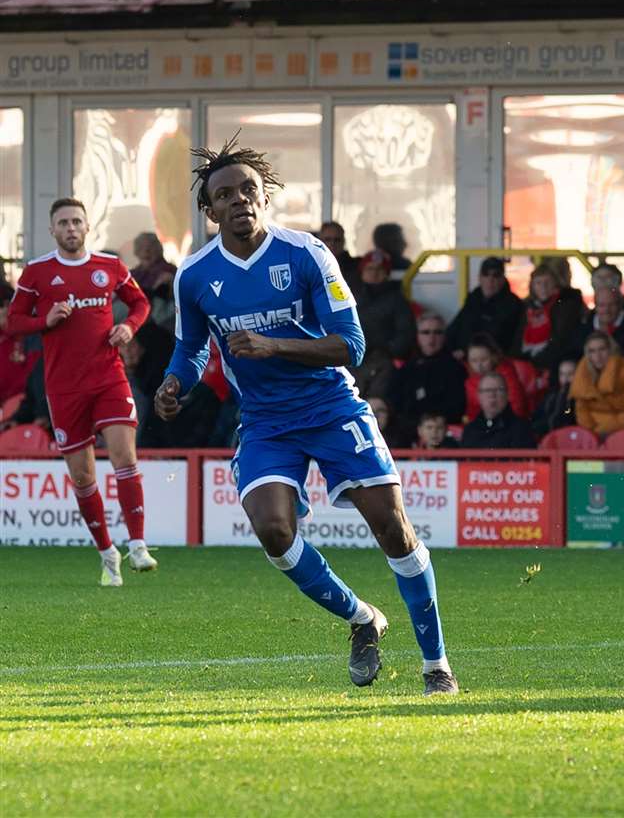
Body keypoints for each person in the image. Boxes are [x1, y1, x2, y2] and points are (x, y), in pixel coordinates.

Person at [156, 140, 455, 694]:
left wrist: (273, 347)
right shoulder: (194, 276)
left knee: (392, 527)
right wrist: (177, 383)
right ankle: (362, 618)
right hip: (267, 421)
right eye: (226, 194)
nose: (240, 199)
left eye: (249, 189)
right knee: (273, 531)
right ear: (210, 212)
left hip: (331, 405)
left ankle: (436, 664)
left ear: (265, 196)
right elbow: (193, 348)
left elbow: (354, 345)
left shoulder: (306, 254)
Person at [6, 198, 153, 584]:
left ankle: (137, 545)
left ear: (88, 227)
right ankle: (108, 554)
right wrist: (46, 320)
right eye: (63, 223)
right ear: (52, 230)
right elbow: (15, 322)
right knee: (84, 477)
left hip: (108, 377)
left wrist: (129, 328)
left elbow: (139, 303)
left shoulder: (109, 266)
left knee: (125, 456)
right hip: (64, 389)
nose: (71, 228)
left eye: (76, 221)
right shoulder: (36, 273)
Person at [352, 249, 416, 398]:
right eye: (369, 269)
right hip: (353, 358)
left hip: (382, 359)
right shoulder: (351, 298)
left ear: (387, 273)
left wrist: (386, 350)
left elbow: (405, 333)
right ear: (362, 272)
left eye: (379, 269)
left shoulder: (397, 300)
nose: (374, 273)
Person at [387, 311, 467, 429]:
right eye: (426, 332)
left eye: (437, 332)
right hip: (408, 431)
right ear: (417, 336)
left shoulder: (456, 369)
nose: (431, 337)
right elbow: (394, 404)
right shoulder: (406, 369)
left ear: (444, 336)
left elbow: (456, 409)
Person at [446, 257, 524, 355]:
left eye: (496, 275)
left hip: (490, 360)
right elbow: (455, 326)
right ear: (479, 277)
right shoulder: (474, 298)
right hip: (464, 356)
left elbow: (498, 337)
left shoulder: (513, 305)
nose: (490, 280)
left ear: (503, 279)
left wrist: (465, 351)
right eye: (486, 274)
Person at [570, 331, 624, 436]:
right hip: (592, 433)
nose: (597, 356)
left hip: (623, 431)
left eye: (602, 349)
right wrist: (592, 431)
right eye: (592, 351)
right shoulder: (583, 373)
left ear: (611, 350)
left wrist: (602, 428)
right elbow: (581, 411)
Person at [520, 264, 584, 372]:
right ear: (532, 286)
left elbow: (560, 339)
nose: (543, 287)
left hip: (554, 362)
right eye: (538, 283)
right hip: (530, 359)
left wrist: (533, 362)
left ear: (555, 283)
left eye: (547, 282)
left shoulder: (566, 304)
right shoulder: (527, 307)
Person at [463, 335, 530, 421]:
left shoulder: (506, 374)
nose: (479, 365)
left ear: (494, 357)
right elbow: (472, 412)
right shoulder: (470, 381)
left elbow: (517, 406)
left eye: (483, 359)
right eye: (473, 361)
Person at [462, 372, 536, 449]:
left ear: (507, 394)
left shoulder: (522, 429)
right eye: (487, 390)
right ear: (479, 396)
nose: (492, 395)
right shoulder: (470, 430)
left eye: (498, 390)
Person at [530, 358, 578, 438]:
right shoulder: (552, 394)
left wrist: (566, 398)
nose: (565, 378)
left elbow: (567, 412)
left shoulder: (578, 396)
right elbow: (539, 412)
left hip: (566, 435)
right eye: (562, 374)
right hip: (545, 434)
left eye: (570, 374)